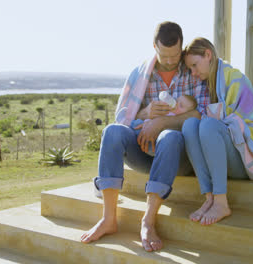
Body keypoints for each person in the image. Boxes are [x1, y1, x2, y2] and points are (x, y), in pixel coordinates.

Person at [80, 22, 210, 252]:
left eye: (175, 55)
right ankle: (108, 218)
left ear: (182, 47)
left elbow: (203, 113)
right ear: (154, 47)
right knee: (111, 131)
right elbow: (123, 116)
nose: (170, 60)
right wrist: (145, 112)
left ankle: (148, 221)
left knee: (170, 136)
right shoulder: (140, 74)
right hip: (143, 151)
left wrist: (162, 122)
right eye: (164, 55)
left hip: (178, 154)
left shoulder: (194, 71)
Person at [182, 37, 253, 226]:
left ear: (208, 54)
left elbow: (247, 126)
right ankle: (209, 198)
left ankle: (221, 201)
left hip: (248, 156)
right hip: (224, 155)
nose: (194, 73)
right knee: (189, 125)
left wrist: (213, 120)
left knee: (207, 125)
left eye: (195, 65)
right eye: (190, 68)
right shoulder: (208, 84)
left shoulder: (235, 79)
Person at [131, 94, 198, 156]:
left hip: (157, 143)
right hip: (145, 131)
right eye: (177, 100)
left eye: (181, 106)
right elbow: (153, 120)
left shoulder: (177, 121)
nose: (176, 104)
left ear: (186, 113)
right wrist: (147, 122)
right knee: (136, 123)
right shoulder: (166, 110)